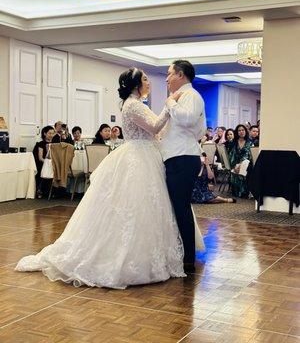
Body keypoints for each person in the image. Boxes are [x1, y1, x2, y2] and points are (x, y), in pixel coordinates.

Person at [15, 67, 185, 289]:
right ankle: (129, 257)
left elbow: (155, 130)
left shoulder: (135, 104)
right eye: (145, 79)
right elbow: (154, 126)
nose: (149, 82)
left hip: (145, 155)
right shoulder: (133, 105)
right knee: (135, 206)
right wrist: (169, 104)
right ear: (135, 84)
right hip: (138, 157)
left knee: (146, 206)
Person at [160, 59, 206, 273]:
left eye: (169, 74)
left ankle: (188, 258)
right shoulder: (183, 97)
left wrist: (170, 103)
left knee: (181, 207)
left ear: (180, 75)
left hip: (183, 157)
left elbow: (188, 121)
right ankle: (183, 252)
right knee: (177, 206)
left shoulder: (191, 96)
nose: (167, 78)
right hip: (178, 156)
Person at [229, 124, 252, 198]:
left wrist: (239, 164)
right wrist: (235, 165)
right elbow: (231, 155)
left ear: (245, 131)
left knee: (244, 166)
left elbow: (247, 155)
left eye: (243, 130)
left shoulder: (249, 142)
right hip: (234, 163)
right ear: (237, 132)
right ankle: (236, 191)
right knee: (234, 170)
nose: (241, 132)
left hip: (245, 163)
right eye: (239, 130)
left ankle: (244, 192)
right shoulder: (233, 142)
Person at [32, 126, 55, 198]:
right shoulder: (41, 144)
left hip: (52, 163)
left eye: (52, 133)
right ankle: (40, 190)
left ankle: (54, 191)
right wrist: (48, 163)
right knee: (45, 169)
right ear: (45, 134)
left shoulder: (54, 144)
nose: (51, 135)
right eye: (49, 133)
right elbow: (40, 158)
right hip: (43, 163)